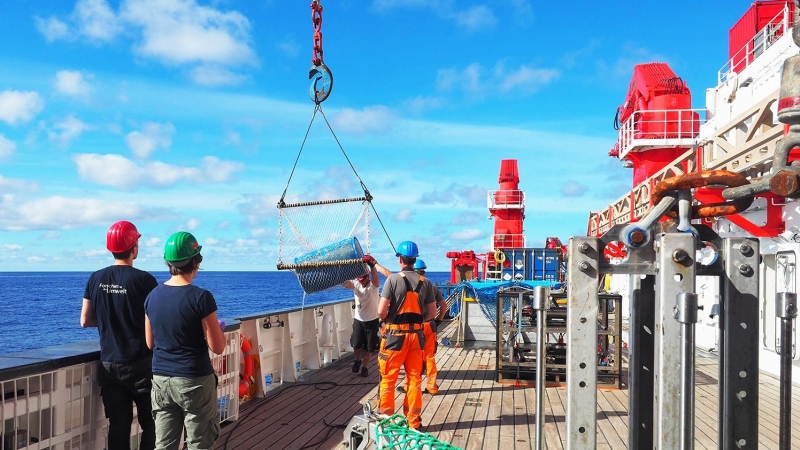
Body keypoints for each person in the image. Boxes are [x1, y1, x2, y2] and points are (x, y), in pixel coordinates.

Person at [144, 231, 226, 450]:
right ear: (196, 261)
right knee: (199, 444)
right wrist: (216, 329)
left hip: (161, 380)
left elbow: (149, 343)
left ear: (168, 261)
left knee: (164, 445)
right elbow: (218, 347)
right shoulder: (201, 297)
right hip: (194, 379)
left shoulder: (152, 296)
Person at [81, 220, 158, 450]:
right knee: (152, 424)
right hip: (141, 364)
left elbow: (85, 320)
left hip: (109, 364)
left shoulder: (95, 278)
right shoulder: (145, 280)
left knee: (118, 425)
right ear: (134, 246)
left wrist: (109, 322)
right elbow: (155, 322)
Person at [376, 241, 437, 430]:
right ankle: (413, 421)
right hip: (416, 338)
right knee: (414, 380)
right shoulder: (425, 283)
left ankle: (386, 420)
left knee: (389, 379)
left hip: (395, 337)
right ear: (414, 259)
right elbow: (432, 313)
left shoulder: (392, 280)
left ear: (400, 259)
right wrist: (418, 322)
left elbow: (380, 311)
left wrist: (387, 320)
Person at [399, 258, 448, 395]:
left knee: (411, 357)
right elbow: (443, 306)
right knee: (429, 357)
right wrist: (439, 319)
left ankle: (408, 386)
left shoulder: (405, 285)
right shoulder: (431, 286)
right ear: (424, 272)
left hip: (414, 327)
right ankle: (432, 386)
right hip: (430, 325)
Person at [341, 254, 391, 377]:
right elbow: (345, 283)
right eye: (358, 279)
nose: (360, 281)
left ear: (366, 277)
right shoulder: (355, 283)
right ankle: (357, 360)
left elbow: (375, 277)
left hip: (372, 320)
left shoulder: (373, 286)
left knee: (370, 347)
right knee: (356, 343)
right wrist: (339, 272)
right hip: (359, 320)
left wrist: (372, 265)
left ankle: (365, 367)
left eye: (362, 278)